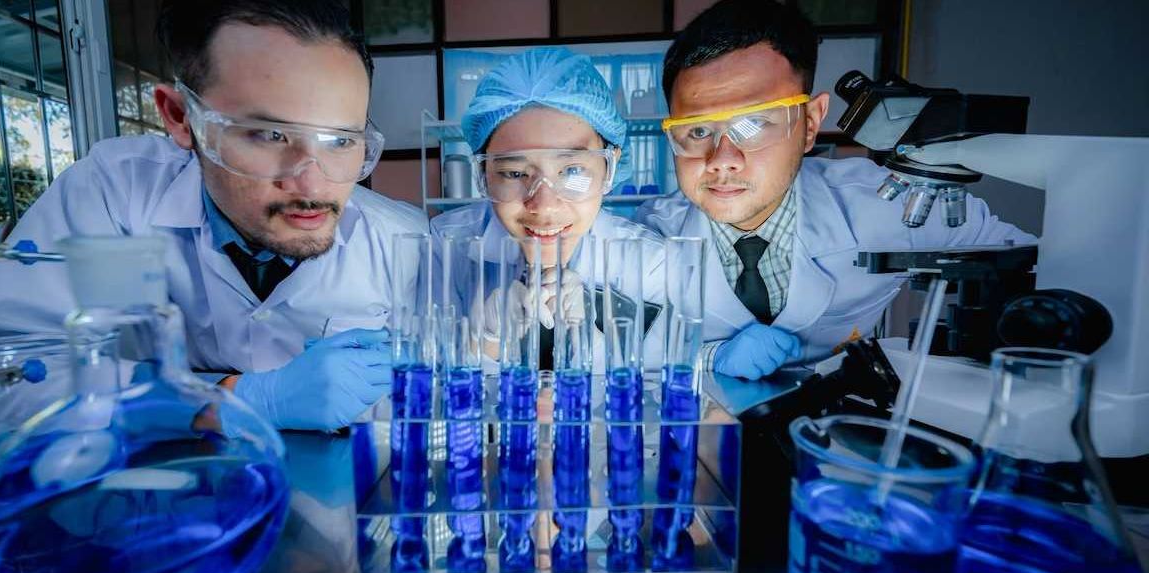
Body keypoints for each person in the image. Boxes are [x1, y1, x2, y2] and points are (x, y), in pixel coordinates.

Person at [0, 0, 427, 432]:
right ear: (180, 117)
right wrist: (233, 400)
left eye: (341, 141)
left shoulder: (399, 239)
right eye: (269, 135)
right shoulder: (115, 195)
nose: (313, 185)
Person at [635, 0, 1035, 381]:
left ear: (810, 124)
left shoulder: (890, 205)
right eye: (698, 131)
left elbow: (1035, 267)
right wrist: (709, 358)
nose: (722, 159)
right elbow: (616, 351)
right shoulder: (650, 237)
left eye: (755, 124)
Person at [431, 48, 667, 374]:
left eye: (572, 171)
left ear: (609, 168)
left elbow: (659, 392)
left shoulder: (648, 261)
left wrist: (592, 344)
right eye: (515, 174)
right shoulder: (445, 248)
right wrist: (482, 342)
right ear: (483, 176)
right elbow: (426, 386)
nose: (543, 207)